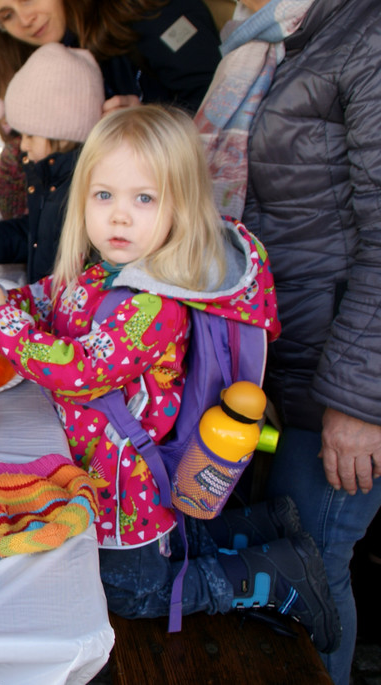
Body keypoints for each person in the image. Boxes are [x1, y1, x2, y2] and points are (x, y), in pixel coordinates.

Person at [0, 105, 340, 652]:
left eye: (144, 198)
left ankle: (277, 571)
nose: (119, 217)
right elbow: (50, 304)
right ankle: (263, 524)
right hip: (102, 463)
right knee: (145, 558)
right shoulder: (98, 272)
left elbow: (78, 371)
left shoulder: (156, 304)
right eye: (103, 196)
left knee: (131, 591)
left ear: (181, 206)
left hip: (123, 477)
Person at [196, 0, 381, 680]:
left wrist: (363, 402)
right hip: (280, 352)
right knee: (286, 556)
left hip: (344, 371)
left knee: (316, 559)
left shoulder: (366, 30)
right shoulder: (273, 36)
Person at [0, 0, 221, 220]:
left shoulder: (152, 13)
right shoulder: (58, 51)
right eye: (7, 15)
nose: (25, 19)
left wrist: (148, 120)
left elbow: (220, 107)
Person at [0, 42, 103, 282]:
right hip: (47, 306)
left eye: (29, 136)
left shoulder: (89, 190)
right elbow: (38, 233)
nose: (23, 145)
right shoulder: (47, 177)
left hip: (72, 313)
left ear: (61, 134)